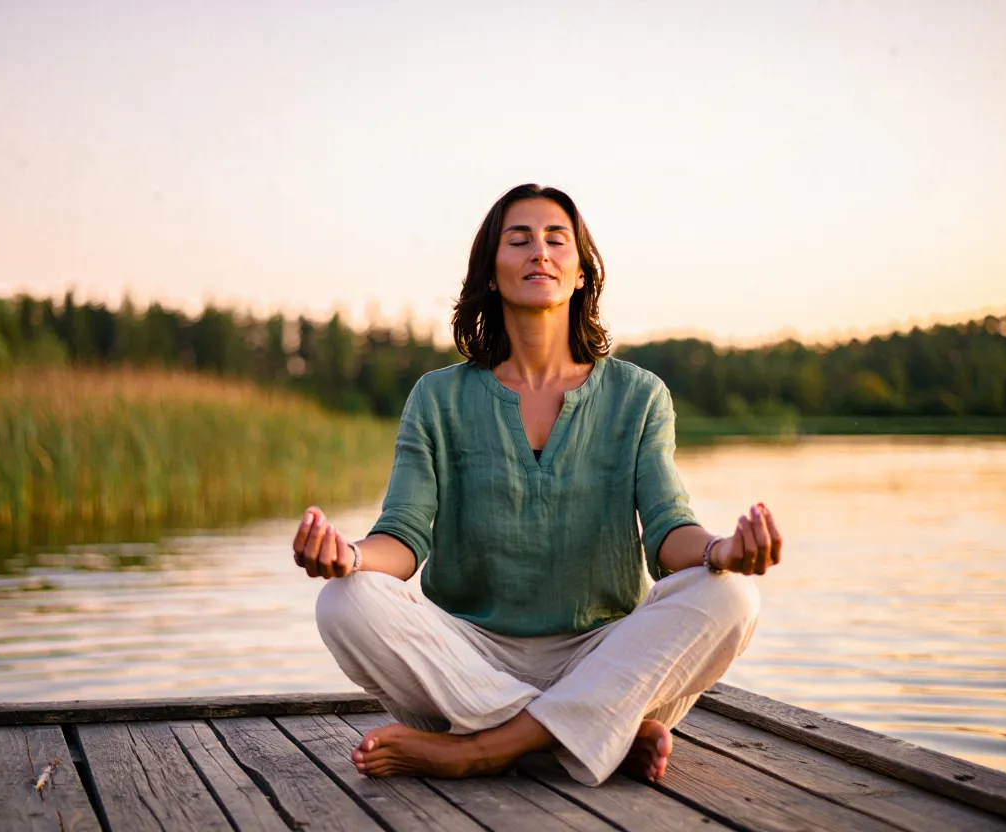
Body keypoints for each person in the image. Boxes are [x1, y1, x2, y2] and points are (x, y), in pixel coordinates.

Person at [291, 183, 781, 786]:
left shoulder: (638, 394)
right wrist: (349, 556)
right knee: (344, 601)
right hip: (469, 662)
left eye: (556, 240)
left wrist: (720, 551)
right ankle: (593, 734)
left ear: (581, 273)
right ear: (491, 274)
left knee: (733, 597)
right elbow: (403, 536)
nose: (539, 252)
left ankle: (482, 750)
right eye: (518, 239)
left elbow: (667, 530)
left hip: (604, 655)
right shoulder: (438, 397)